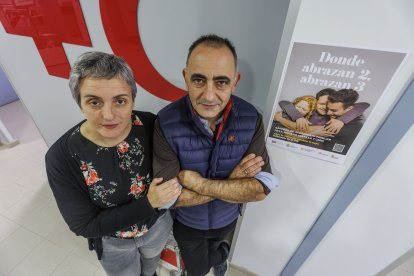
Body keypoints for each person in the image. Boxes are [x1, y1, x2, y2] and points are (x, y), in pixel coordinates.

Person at [45, 52, 181, 276]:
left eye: (120, 101)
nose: (108, 115)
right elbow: (84, 225)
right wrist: (149, 203)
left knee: (150, 267)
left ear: (132, 100)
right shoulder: (62, 157)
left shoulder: (150, 125)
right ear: (80, 104)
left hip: (157, 227)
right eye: (94, 102)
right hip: (114, 243)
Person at [153, 34, 279, 276]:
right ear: (186, 78)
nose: (209, 95)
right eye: (199, 80)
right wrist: (233, 183)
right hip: (187, 224)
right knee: (198, 269)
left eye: (221, 82)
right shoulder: (165, 122)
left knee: (218, 246)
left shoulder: (251, 118)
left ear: (235, 81)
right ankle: (217, 259)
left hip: (228, 219)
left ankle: (220, 255)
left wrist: (198, 184)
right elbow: (168, 198)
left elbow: (261, 188)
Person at [273, 88, 370, 136]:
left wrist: (342, 120)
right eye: (322, 104)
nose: (326, 109)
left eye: (329, 105)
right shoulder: (309, 109)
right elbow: (284, 102)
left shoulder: (335, 115)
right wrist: (298, 116)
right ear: (316, 101)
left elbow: (363, 105)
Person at [322, 88, 365, 154]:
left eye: (334, 110)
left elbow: (307, 130)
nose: (328, 113)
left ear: (349, 109)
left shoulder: (352, 126)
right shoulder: (358, 116)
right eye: (328, 109)